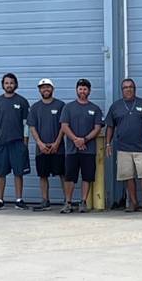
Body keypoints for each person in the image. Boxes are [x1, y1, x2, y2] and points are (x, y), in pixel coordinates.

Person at [105, 78, 142, 213]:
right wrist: (107, 144)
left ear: (135, 89)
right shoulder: (115, 106)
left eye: (131, 87)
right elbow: (110, 126)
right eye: (125, 87)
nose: (128, 89)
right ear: (122, 90)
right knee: (128, 176)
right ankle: (134, 203)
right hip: (123, 148)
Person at [59, 79, 102, 213]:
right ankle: (68, 202)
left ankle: (83, 202)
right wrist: (76, 140)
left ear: (89, 91)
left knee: (87, 177)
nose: (82, 91)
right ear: (76, 90)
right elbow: (64, 126)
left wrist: (84, 139)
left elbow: (97, 128)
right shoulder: (68, 107)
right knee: (69, 177)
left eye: (85, 89)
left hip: (89, 150)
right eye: (80, 89)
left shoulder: (95, 109)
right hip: (72, 150)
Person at [0, 73, 30, 210]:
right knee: (0, 173)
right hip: (0, 143)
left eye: (11, 83)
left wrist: (25, 142)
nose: (9, 85)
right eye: (6, 83)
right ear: (3, 85)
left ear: (15, 84)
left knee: (19, 173)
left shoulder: (22, 101)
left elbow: (26, 124)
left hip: (17, 143)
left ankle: (19, 200)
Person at [27, 78, 66, 211]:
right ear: (39, 90)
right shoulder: (35, 107)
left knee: (62, 174)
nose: (45, 89)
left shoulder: (61, 105)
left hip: (58, 148)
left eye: (48, 87)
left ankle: (67, 201)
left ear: (52, 89)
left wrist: (57, 143)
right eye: (43, 87)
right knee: (43, 175)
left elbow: (63, 126)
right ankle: (45, 201)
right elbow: (32, 127)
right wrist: (40, 143)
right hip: (41, 148)